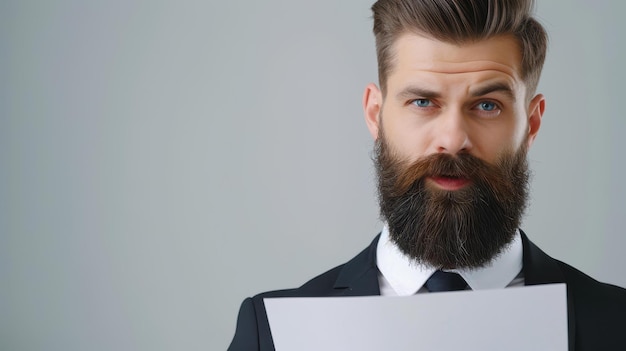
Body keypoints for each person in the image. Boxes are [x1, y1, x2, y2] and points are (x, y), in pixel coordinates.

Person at [228, 0, 626, 350]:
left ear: (532, 124)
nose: (453, 140)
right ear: (375, 115)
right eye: (422, 101)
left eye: (487, 105)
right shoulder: (273, 335)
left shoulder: (617, 324)